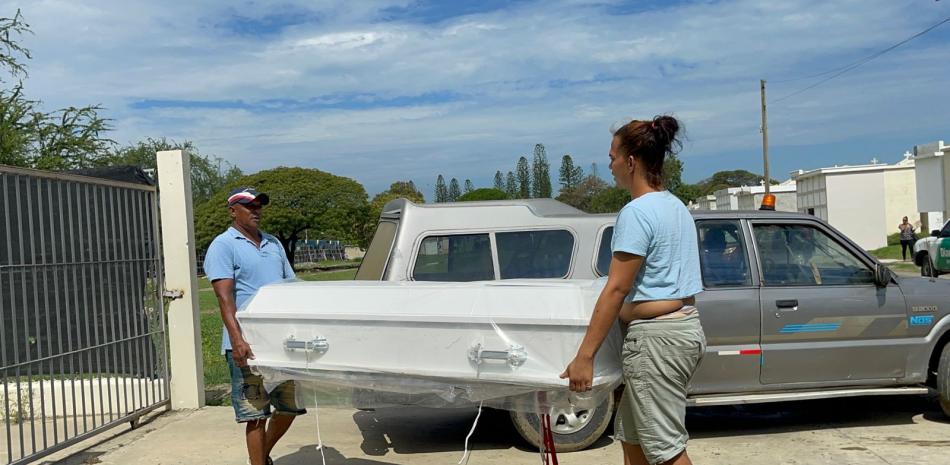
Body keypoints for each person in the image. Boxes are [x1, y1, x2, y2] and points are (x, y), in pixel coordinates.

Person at [561, 116, 705, 465]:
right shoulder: (676, 206)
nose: (609, 165)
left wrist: (584, 357)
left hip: (657, 342)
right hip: (683, 330)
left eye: (612, 157)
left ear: (630, 162)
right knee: (633, 439)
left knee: (666, 450)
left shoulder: (637, 213)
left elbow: (616, 288)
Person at [204, 187, 306, 465]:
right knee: (256, 414)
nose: (256, 211)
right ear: (233, 211)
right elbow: (225, 299)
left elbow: (290, 287)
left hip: (280, 342)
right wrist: (237, 340)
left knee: (289, 407)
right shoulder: (223, 245)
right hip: (247, 344)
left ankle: (260, 457)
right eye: (249, 206)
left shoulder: (273, 243)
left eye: (259, 206)